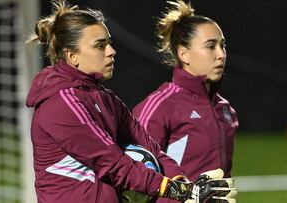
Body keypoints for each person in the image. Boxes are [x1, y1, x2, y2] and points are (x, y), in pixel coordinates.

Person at [26, 1, 235, 203]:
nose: (111, 51)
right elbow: (113, 164)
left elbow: (152, 149)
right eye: (100, 45)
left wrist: (184, 184)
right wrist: (182, 192)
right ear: (72, 56)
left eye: (109, 43)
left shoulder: (105, 99)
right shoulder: (62, 104)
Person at [133, 0, 239, 202]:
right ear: (184, 54)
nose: (220, 54)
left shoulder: (225, 109)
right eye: (210, 46)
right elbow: (134, 171)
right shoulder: (161, 106)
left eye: (222, 46)